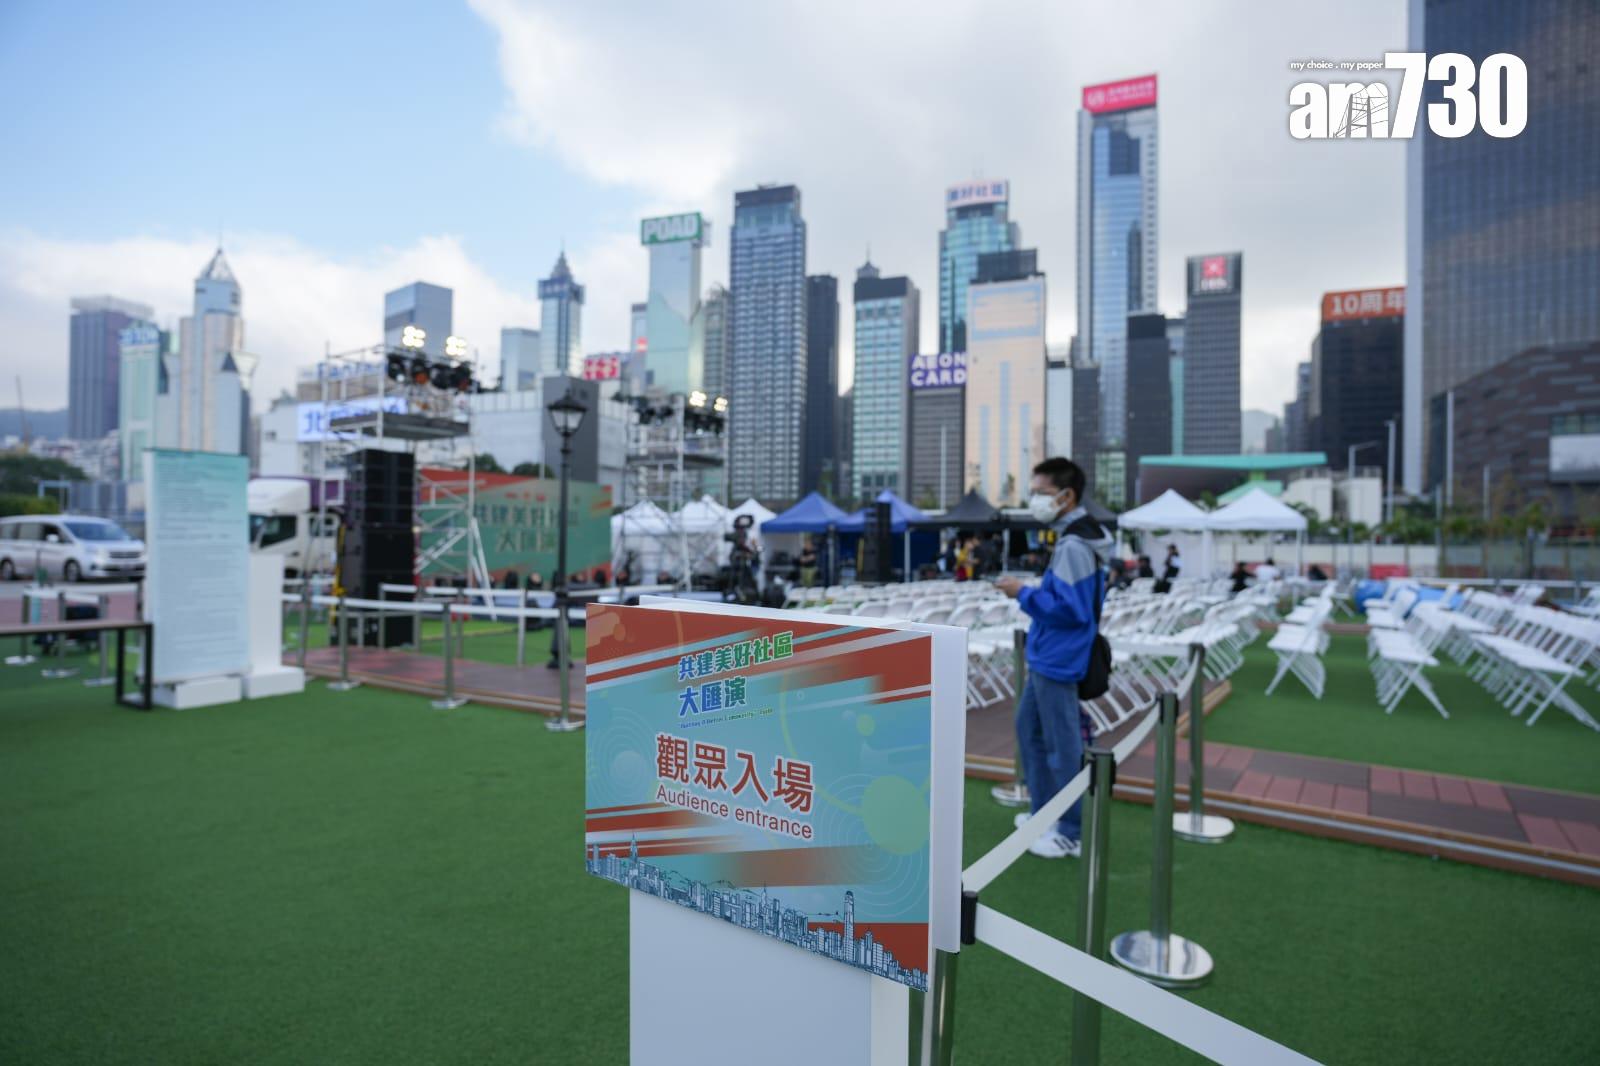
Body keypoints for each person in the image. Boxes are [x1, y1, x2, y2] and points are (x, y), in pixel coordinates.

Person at [995, 457, 1112, 860]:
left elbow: (1070, 609)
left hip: (1059, 657)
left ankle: (1071, 830)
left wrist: (1021, 593)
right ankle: (1046, 813)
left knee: (1062, 746)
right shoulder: (1075, 538)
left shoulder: (1076, 544)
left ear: (1067, 496)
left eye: (1042, 493)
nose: (1035, 501)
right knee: (1030, 730)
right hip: (1050, 655)